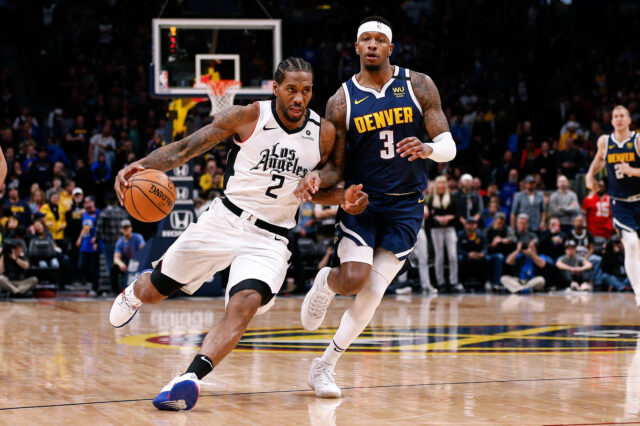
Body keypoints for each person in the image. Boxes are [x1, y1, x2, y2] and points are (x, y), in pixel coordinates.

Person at [109, 57, 367, 411]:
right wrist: (138, 166)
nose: (299, 98)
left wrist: (332, 190)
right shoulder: (247, 117)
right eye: (291, 89)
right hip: (223, 220)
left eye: (306, 91)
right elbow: (186, 148)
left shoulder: (323, 133)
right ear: (275, 88)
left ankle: (188, 379)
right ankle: (135, 291)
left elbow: (326, 182)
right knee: (155, 291)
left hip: (271, 238)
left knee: (244, 304)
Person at [298, 17, 456, 398]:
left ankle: (325, 366)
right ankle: (327, 282)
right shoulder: (341, 100)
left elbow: (449, 146)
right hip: (363, 203)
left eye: (378, 40)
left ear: (390, 48)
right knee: (352, 280)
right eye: (365, 39)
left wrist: (428, 149)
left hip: (407, 206)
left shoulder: (418, 84)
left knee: (372, 293)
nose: (371, 45)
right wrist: (320, 177)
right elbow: (336, 164)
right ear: (356, 48)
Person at [586, 105, 640, 309]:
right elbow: (599, 160)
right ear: (611, 121)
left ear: (628, 120)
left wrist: (632, 171)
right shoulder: (605, 141)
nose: (618, 119)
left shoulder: (637, 141)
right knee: (631, 244)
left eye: (622, 116)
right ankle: (638, 292)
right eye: (615, 116)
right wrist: (591, 174)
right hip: (620, 203)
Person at [428, 175, 459, 292]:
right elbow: (429, 217)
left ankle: (453, 282)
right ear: (436, 185)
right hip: (436, 229)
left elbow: (457, 214)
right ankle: (440, 282)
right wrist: (438, 219)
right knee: (439, 256)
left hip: (450, 228)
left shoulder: (452, 198)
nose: (441, 185)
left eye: (443, 183)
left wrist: (448, 218)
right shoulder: (432, 199)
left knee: (452, 255)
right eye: (439, 183)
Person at [95, 192, 128, 293]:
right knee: (121, 265)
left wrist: (96, 240)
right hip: (121, 243)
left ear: (106, 202)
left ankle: (114, 290)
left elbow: (99, 229)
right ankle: (123, 287)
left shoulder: (104, 213)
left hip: (108, 243)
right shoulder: (122, 212)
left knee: (110, 266)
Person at [111, 219, 145, 293]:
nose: (126, 229)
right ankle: (116, 292)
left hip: (138, 261)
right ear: (121, 230)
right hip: (126, 263)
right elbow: (116, 258)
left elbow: (143, 250)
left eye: (127, 227)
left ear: (131, 228)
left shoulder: (138, 237)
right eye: (124, 228)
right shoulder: (120, 242)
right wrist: (121, 264)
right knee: (113, 268)